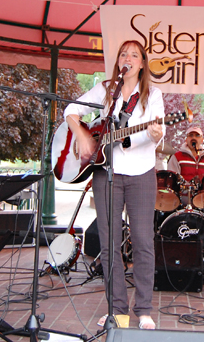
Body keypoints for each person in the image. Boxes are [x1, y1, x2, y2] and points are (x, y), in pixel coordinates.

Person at [63, 40, 164, 330]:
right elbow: (71, 110)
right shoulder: (107, 88)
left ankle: (143, 309)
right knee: (109, 243)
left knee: (143, 241)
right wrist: (82, 136)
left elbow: (157, 134)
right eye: (123, 54)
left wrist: (155, 133)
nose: (128, 58)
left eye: (134, 55)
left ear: (143, 63)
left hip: (141, 173)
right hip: (106, 172)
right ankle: (116, 309)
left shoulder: (153, 95)